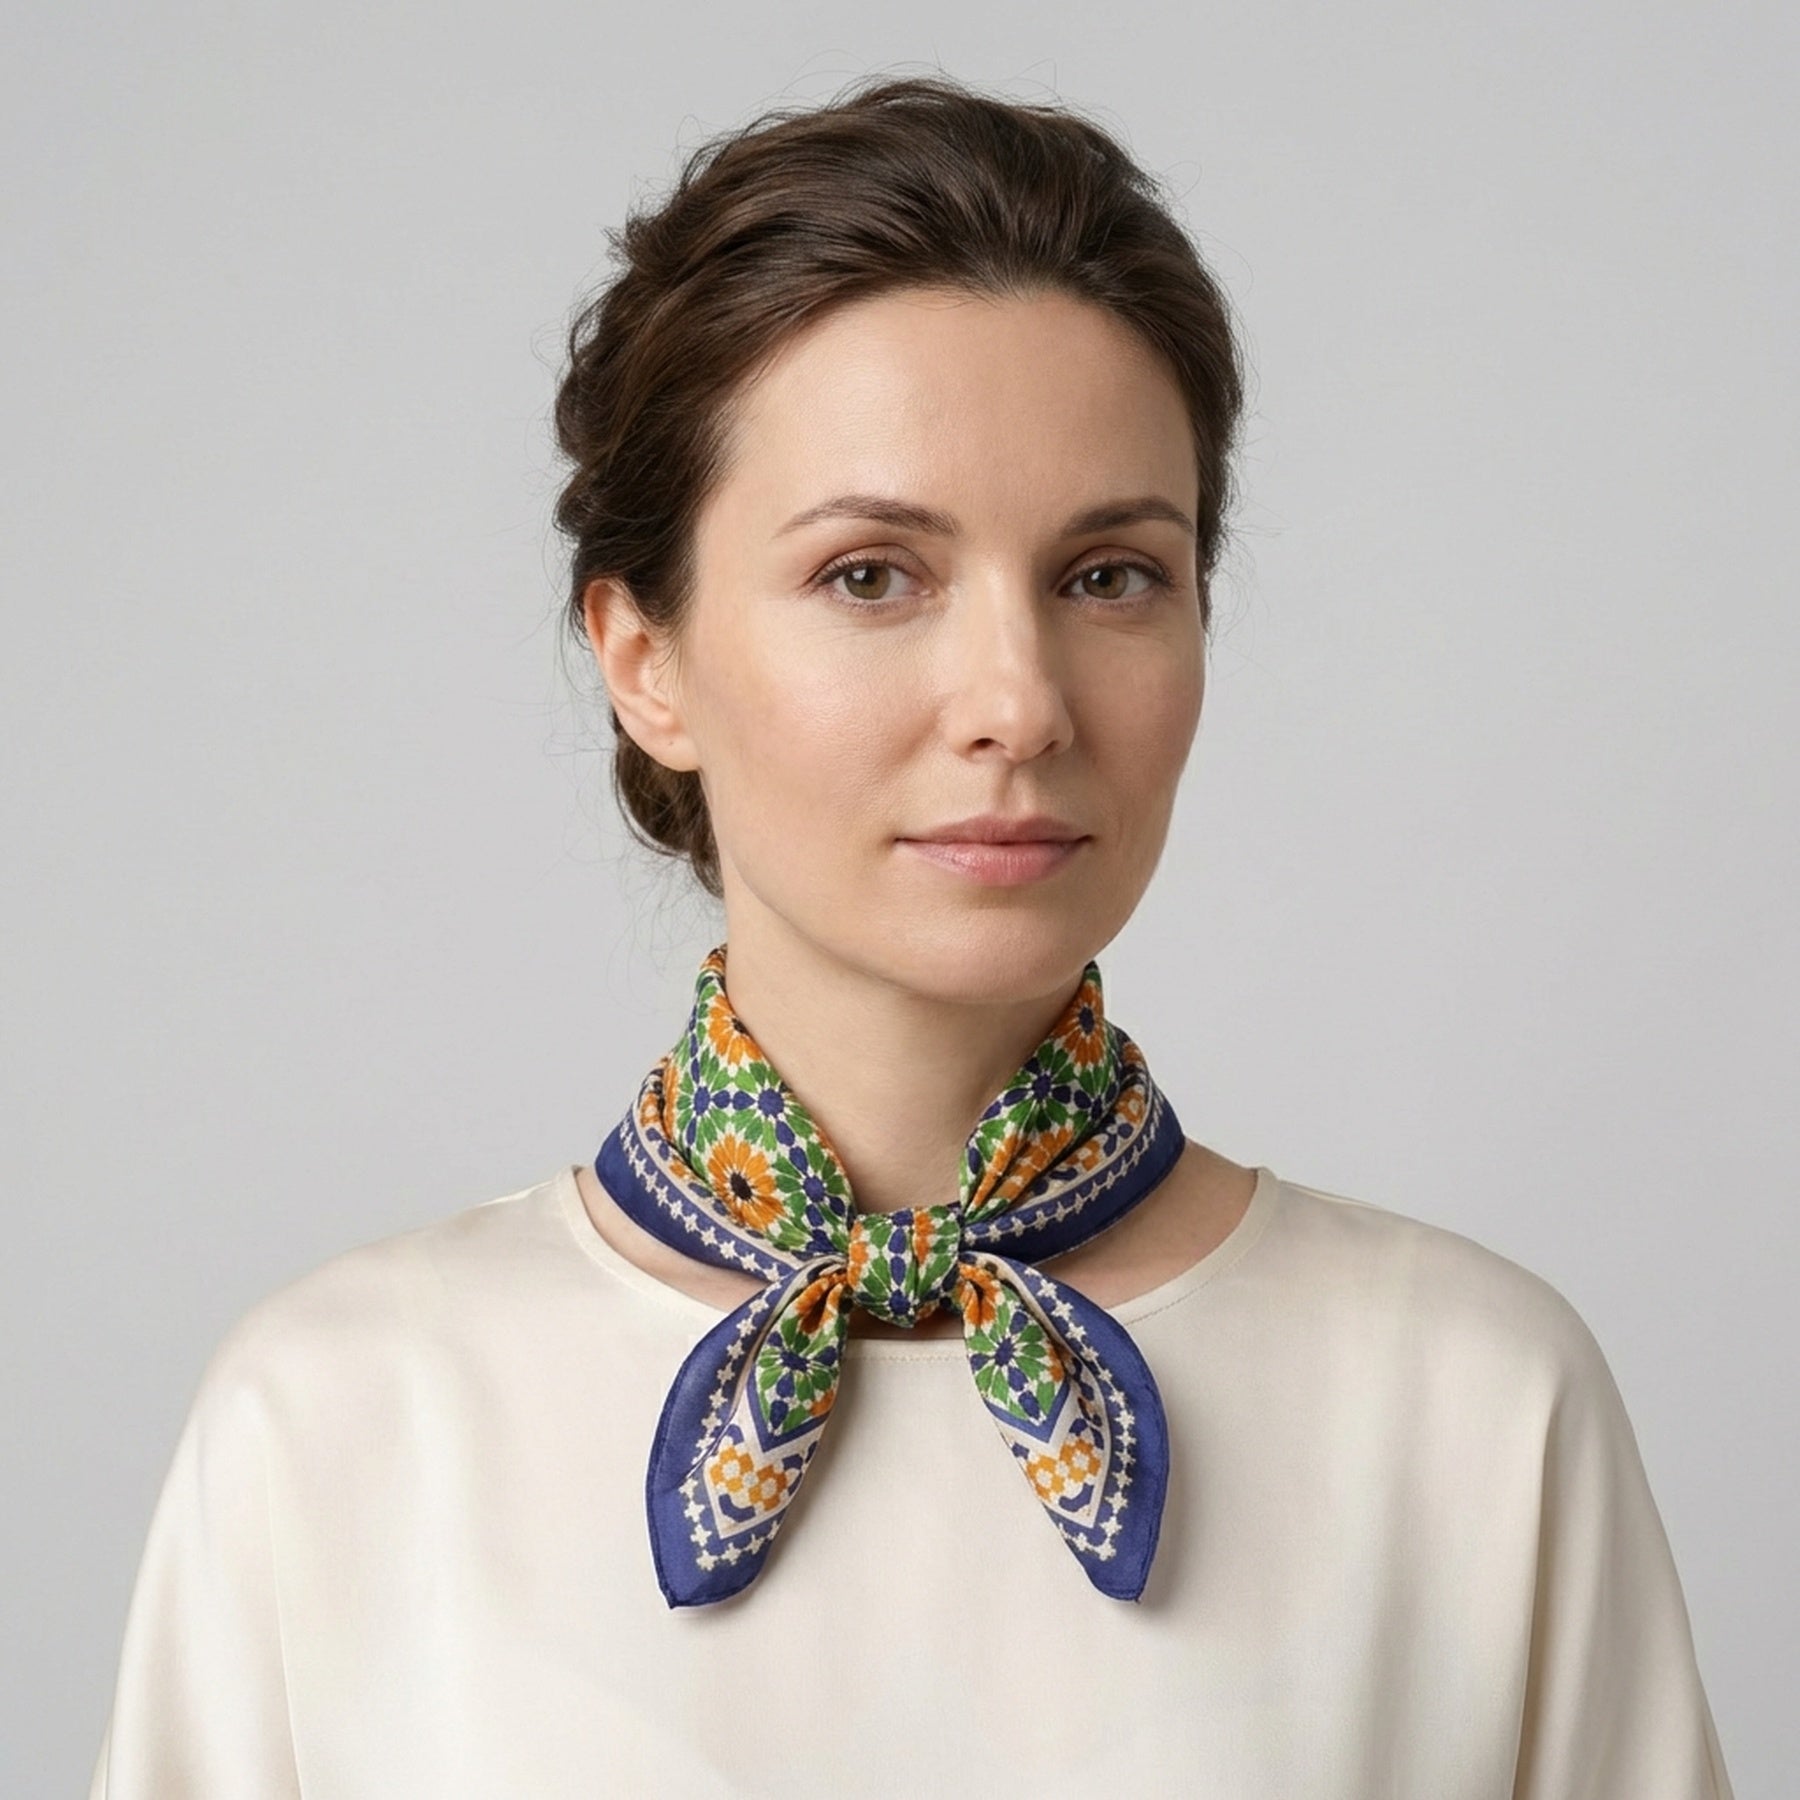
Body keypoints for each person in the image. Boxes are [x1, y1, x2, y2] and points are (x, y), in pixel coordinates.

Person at [88, 74, 1734, 1798]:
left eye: (1111, 575)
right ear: (645, 658)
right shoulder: (346, 1421)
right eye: (873, 575)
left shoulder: (1473, 1407)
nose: (1016, 703)